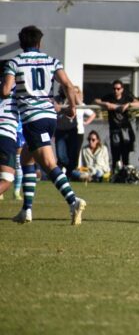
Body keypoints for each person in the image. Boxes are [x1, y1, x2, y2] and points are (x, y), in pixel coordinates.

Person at [3, 25, 86, 225]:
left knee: (49, 164)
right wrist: (72, 107)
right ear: (39, 43)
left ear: (21, 43)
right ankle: (26, 210)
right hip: (49, 117)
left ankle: (73, 201)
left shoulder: (15, 62)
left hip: (33, 119)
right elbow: (68, 85)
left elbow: (5, 91)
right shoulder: (52, 61)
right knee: (27, 159)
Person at [94, 80, 139, 171]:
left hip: (125, 130)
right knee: (115, 155)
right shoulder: (109, 97)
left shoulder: (126, 98)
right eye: (114, 89)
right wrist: (106, 104)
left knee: (125, 155)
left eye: (118, 89)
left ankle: (125, 174)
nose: (116, 90)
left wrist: (128, 104)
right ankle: (115, 174)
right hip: (114, 130)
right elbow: (96, 101)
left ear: (122, 89)